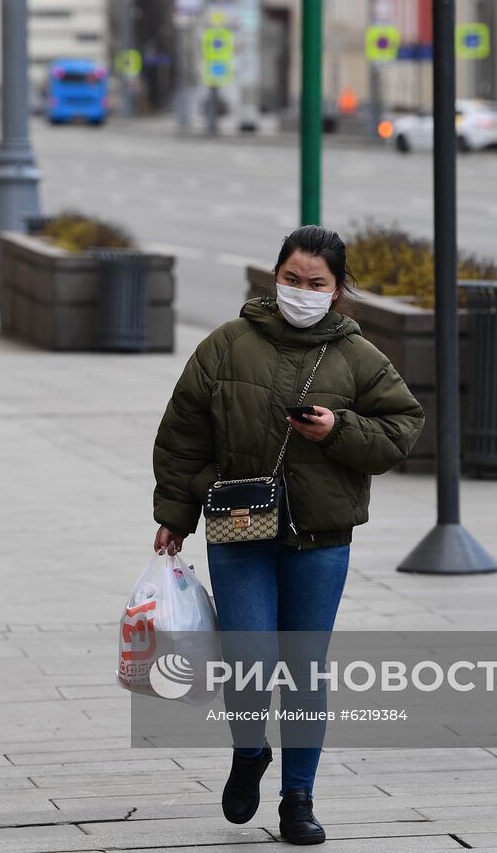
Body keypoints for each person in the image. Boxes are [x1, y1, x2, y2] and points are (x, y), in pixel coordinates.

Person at [151, 226, 424, 845]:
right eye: (292, 280)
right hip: (239, 526)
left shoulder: (359, 357)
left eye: (317, 284)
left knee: (304, 670)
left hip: (320, 537)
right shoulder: (226, 346)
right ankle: (249, 752)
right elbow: (182, 432)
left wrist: (339, 429)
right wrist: (175, 513)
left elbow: (403, 427)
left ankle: (298, 799)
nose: (302, 292)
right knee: (248, 660)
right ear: (275, 278)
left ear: (337, 290)